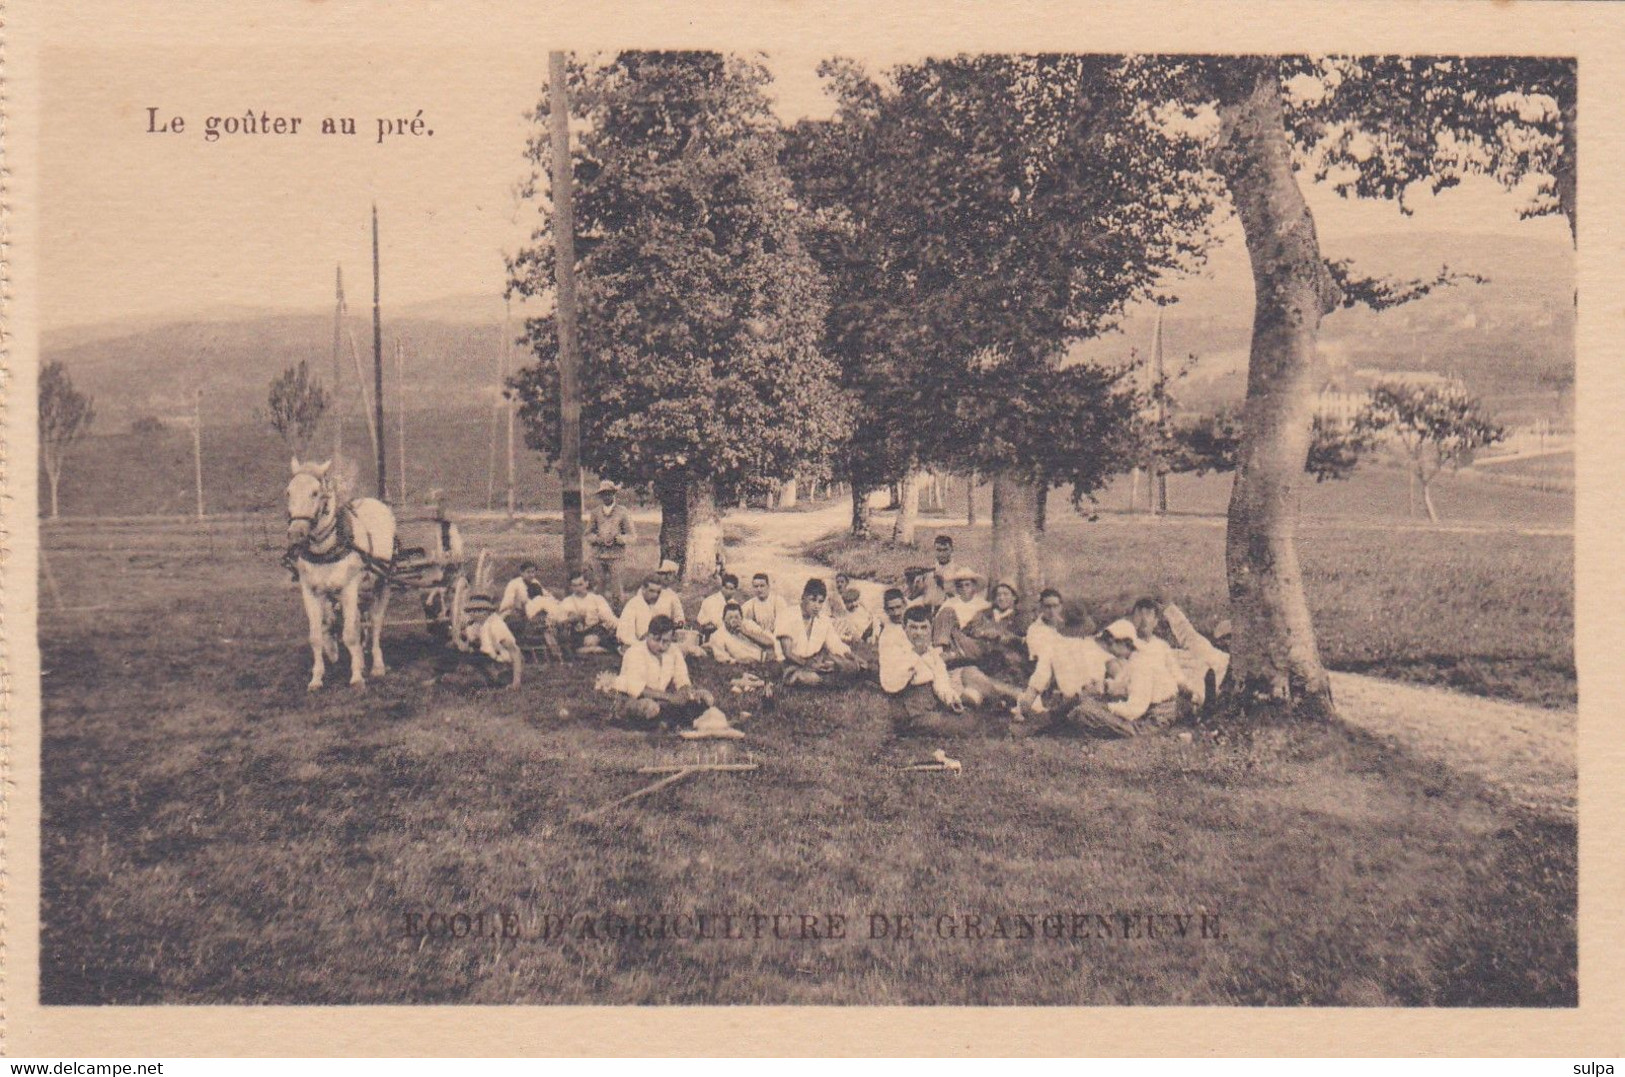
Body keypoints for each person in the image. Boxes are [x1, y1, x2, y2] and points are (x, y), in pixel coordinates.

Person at [1065, 619, 1183, 738]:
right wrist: (1105, 686)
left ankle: (1064, 720)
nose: (1108, 648)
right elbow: (1122, 684)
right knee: (1088, 704)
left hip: (1154, 718)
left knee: (1086, 712)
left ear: (1125, 643)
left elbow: (1135, 709)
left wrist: (1107, 708)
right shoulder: (1134, 658)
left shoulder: (1141, 665)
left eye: (1111, 643)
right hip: (1147, 710)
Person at [611, 614, 714, 724]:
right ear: (648, 636)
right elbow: (638, 689)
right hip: (633, 699)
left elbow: (682, 679)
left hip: (662, 699)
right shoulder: (635, 652)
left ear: (671, 639)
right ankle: (667, 720)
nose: (661, 646)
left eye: (666, 641)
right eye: (656, 640)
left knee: (706, 697)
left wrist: (684, 693)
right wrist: (671, 698)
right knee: (651, 708)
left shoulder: (674, 651)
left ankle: (670, 719)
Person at [778, 578, 866, 686]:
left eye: (820, 602)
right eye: (813, 600)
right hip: (792, 663)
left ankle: (839, 675)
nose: (816, 606)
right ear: (803, 597)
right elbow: (788, 653)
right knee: (809, 678)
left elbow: (835, 645)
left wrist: (853, 656)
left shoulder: (823, 620)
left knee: (848, 664)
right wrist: (808, 665)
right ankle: (833, 679)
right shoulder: (787, 615)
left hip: (816, 660)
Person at [586, 480, 636, 607]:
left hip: (616, 556)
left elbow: (632, 535)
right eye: (603, 494)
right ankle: (597, 612)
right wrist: (598, 539)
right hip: (598, 555)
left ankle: (618, 612)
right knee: (599, 586)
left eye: (609, 493)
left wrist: (621, 539)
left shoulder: (622, 511)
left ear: (614, 494)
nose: (606, 496)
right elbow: (587, 534)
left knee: (616, 587)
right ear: (600, 496)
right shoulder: (595, 512)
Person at [963, 581, 1026, 674]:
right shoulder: (984, 613)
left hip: (1005, 657)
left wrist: (1010, 637)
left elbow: (1026, 640)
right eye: (998, 595)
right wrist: (983, 632)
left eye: (1006, 594)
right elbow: (967, 630)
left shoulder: (1020, 617)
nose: (1001, 598)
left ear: (1014, 597)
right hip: (979, 653)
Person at [934, 565, 991, 662]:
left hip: (973, 642)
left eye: (967, 585)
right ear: (957, 588)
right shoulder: (950, 603)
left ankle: (957, 654)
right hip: (952, 641)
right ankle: (940, 651)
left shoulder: (983, 604)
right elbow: (939, 624)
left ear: (974, 586)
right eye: (960, 586)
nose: (964, 588)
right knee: (947, 612)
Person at [555, 570, 619, 655]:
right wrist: (571, 619)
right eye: (574, 586)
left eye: (580, 584)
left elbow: (609, 619)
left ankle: (594, 648)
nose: (578, 588)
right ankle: (593, 649)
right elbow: (559, 622)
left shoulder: (597, 599)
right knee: (573, 642)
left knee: (608, 637)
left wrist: (621, 627)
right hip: (578, 634)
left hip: (596, 631)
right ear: (571, 587)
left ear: (587, 583)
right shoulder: (567, 602)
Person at [740, 572, 793, 655]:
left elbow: (783, 625)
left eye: (762, 586)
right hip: (761, 640)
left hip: (779, 638)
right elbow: (738, 614)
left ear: (768, 586)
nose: (759, 589)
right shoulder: (751, 604)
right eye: (756, 586)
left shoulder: (778, 601)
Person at [617, 575, 671, 649]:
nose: (655, 595)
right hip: (632, 647)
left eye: (658, 592)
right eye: (651, 591)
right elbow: (625, 637)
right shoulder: (633, 605)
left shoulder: (657, 606)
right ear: (643, 589)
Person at [696, 574, 743, 640]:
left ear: (735, 590)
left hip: (728, 633)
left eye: (731, 589)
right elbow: (715, 620)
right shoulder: (711, 600)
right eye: (726, 588)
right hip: (710, 633)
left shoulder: (734, 603)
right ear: (722, 587)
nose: (728, 591)